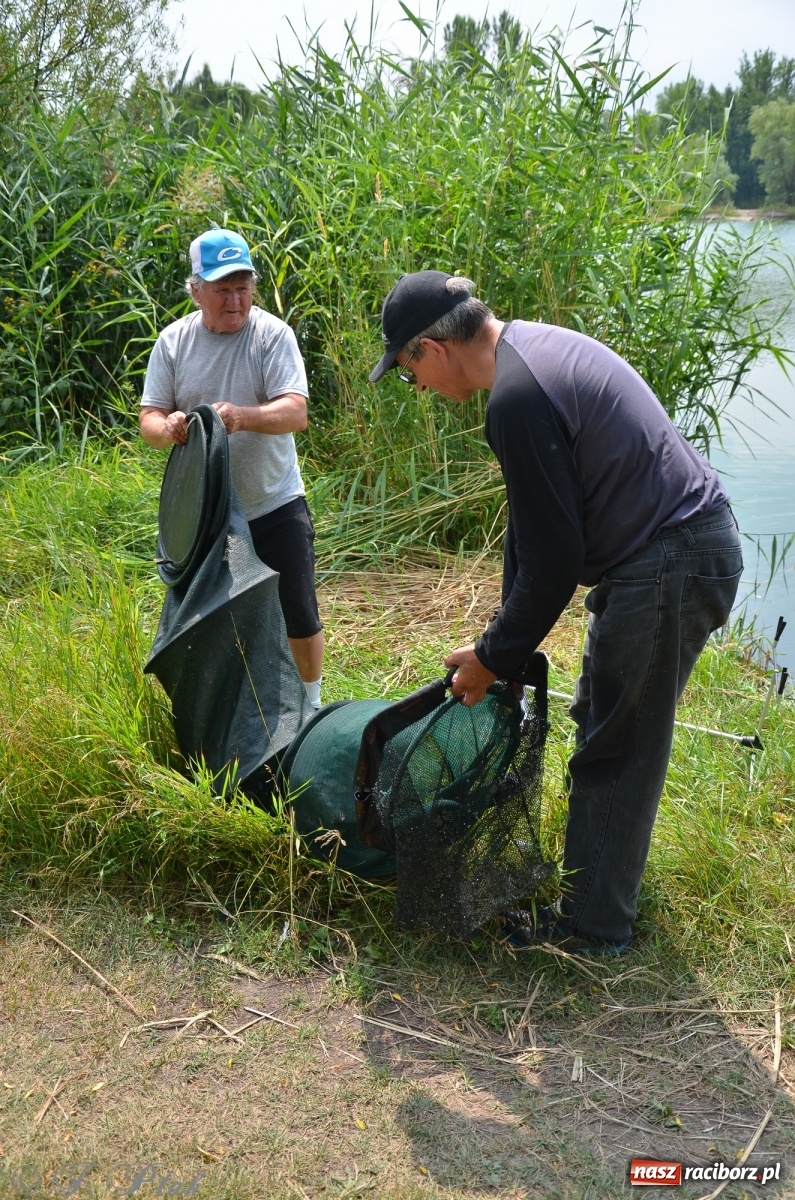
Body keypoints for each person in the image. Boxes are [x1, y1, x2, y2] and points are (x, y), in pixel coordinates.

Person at [369, 270, 742, 954]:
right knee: (602, 726)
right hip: (670, 554)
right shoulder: (529, 353)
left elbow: (553, 566)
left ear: (431, 348)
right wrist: (498, 646)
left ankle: (593, 931)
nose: (416, 388)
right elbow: (533, 530)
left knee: (616, 748)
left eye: (405, 371)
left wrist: (491, 660)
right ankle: (598, 898)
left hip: (670, 561)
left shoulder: (516, 397)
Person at [140, 228, 324, 708]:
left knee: (299, 613)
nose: (234, 299)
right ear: (195, 289)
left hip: (274, 500)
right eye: (222, 288)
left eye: (243, 286)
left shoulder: (272, 335)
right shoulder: (174, 342)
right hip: (207, 516)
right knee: (212, 619)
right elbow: (149, 418)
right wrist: (170, 427)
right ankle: (228, 712)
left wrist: (242, 417)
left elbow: (296, 412)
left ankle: (310, 707)